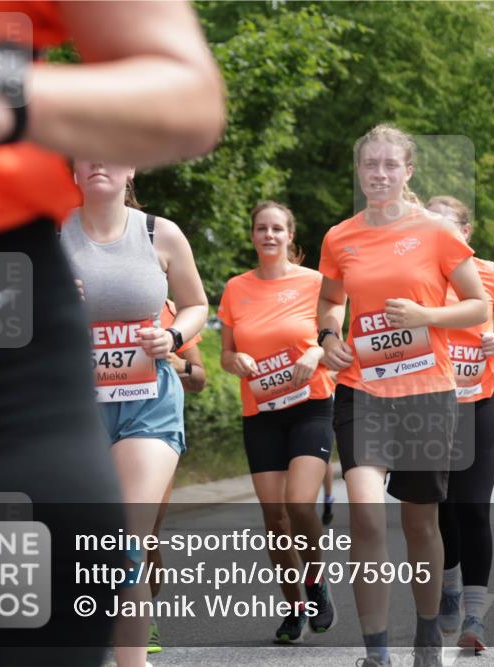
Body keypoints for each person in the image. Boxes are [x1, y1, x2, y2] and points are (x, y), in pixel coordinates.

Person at [0, 3, 225, 666]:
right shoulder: (69, 231)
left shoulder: (159, 233)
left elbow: (189, 94)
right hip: (74, 390)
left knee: (121, 539)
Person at [317, 124, 488, 667]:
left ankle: (426, 635)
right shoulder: (339, 237)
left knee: (420, 522)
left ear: (408, 170)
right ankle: (375, 651)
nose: (381, 174)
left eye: (391, 165)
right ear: (359, 170)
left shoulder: (435, 232)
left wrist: (427, 316)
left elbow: (479, 306)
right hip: (361, 391)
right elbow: (329, 302)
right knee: (365, 515)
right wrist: (328, 338)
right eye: (371, 165)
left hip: (425, 394)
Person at [62, 159, 208, 666]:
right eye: (85, 153)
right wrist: (49, 302)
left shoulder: (160, 234)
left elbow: (196, 305)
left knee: (126, 538)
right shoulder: (48, 234)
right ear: (73, 170)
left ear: (131, 170)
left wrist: (172, 336)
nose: (98, 161)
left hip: (148, 402)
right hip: (69, 409)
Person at [218, 201, 338, 644]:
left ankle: (316, 584)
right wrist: (237, 361)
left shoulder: (315, 283)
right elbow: (226, 355)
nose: (268, 235)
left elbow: (335, 334)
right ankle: (293, 608)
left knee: (301, 504)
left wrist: (315, 351)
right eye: (260, 228)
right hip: (262, 414)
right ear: (252, 235)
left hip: (310, 404)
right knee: (275, 517)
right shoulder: (235, 288)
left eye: (277, 229)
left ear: (290, 236)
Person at [427, 195, 494, 653]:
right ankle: (448, 583)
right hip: (430, 406)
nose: (439, 233)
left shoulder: (487, 273)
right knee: (441, 508)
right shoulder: (417, 275)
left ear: (466, 233)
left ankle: (475, 617)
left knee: (472, 507)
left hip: (481, 402)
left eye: (448, 226)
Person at [148, 298, 206, 654]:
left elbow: (199, 379)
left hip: (154, 426)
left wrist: (178, 362)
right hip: (95, 422)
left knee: (146, 526)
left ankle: (142, 614)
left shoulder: (171, 309)